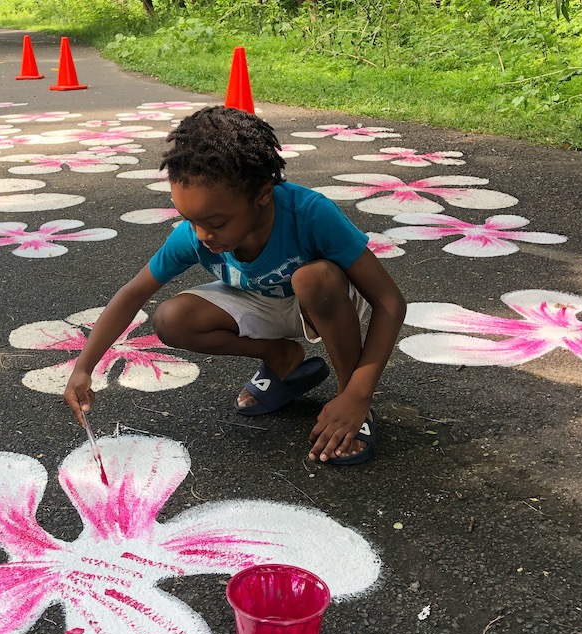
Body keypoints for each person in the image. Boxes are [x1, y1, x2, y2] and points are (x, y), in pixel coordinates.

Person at [64, 106, 406, 465]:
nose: (202, 235)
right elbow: (133, 292)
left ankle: (348, 398)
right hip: (262, 298)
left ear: (262, 193)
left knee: (313, 278)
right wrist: (84, 366)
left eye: (215, 221)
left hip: (324, 302)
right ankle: (281, 359)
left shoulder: (310, 214)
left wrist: (359, 394)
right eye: (190, 220)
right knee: (172, 318)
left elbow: (390, 302)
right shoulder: (197, 234)